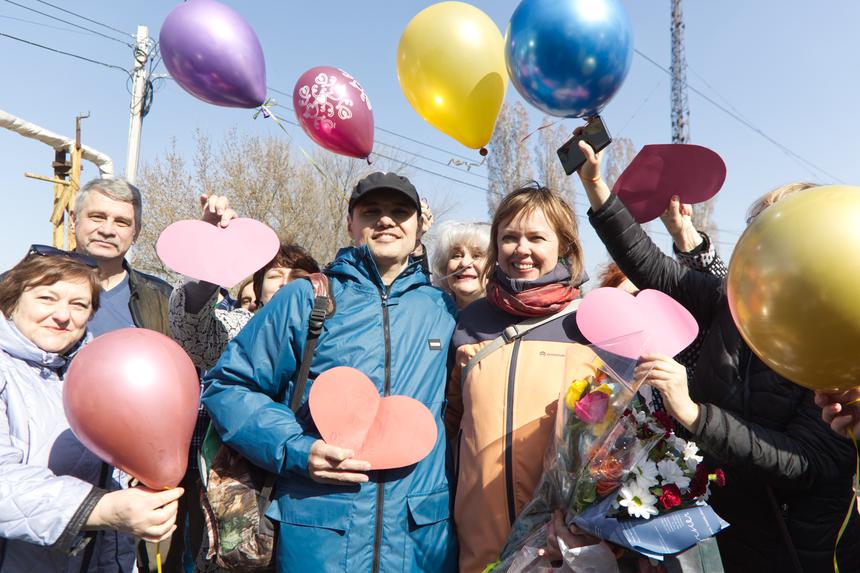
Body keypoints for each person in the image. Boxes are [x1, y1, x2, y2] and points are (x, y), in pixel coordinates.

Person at [577, 134, 860, 571]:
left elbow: (807, 461)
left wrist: (694, 414)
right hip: (734, 535)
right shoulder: (735, 303)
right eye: (757, 233)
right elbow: (653, 268)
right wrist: (598, 191)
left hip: (802, 550)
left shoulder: (838, 333)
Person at [202, 171, 458, 572]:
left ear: (420, 225)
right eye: (371, 211)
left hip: (419, 541)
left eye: (399, 211)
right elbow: (229, 386)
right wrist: (296, 449)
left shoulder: (445, 310)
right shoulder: (306, 298)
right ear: (350, 225)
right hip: (318, 536)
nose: (386, 220)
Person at [445, 183, 604, 572]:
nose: (522, 249)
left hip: (558, 546)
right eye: (509, 237)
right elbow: (454, 423)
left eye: (536, 237)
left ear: (564, 245)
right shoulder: (471, 322)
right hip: (478, 543)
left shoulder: (589, 322)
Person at [0, 246, 182, 573]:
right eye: (46, 298)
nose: (62, 315)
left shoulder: (100, 370)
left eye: (79, 304)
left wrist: (136, 482)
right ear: (13, 301)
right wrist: (100, 509)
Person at [70, 177, 185, 571]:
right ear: (74, 220)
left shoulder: (159, 298)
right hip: (55, 468)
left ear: (135, 231)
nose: (107, 228)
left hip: (133, 483)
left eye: (121, 221)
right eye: (97, 216)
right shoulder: (29, 286)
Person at [169, 194, 322, 371]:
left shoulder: (329, 330)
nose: (284, 284)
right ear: (258, 290)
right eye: (274, 276)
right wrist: (209, 248)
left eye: (297, 278)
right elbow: (192, 332)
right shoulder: (244, 328)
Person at [430, 221, 490, 309]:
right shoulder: (431, 314)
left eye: (476, 256)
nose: (464, 263)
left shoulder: (510, 319)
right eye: (457, 256)